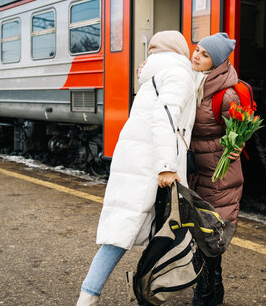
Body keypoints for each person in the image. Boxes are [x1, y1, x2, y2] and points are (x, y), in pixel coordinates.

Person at [76, 30, 197, 306]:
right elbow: (165, 117)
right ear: (180, 50)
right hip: (152, 168)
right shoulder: (177, 74)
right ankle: (98, 296)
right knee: (149, 232)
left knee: (126, 233)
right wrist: (167, 166)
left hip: (137, 162)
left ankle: (92, 295)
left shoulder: (154, 74)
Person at [188, 32, 243, 306]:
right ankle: (213, 287)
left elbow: (238, 131)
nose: (196, 55)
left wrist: (237, 146)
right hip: (194, 170)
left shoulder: (226, 93)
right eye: (197, 50)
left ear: (217, 62)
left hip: (218, 174)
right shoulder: (190, 79)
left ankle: (206, 290)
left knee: (210, 233)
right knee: (197, 230)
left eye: (204, 54)